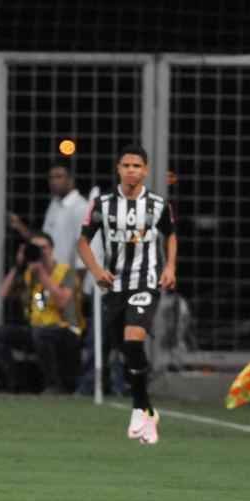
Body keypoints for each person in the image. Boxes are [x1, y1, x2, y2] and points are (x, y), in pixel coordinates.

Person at [78, 144, 177, 445]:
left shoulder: (157, 204)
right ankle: (148, 410)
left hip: (145, 281)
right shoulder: (102, 204)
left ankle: (137, 408)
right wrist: (97, 271)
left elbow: (171, 234)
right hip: (114, 286)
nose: (131, 170)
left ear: (145, 171)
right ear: (118, 169)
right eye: (126, 165)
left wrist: (170, 267)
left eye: (137, 166)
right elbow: (83, 242)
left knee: (134, 339)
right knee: (123, 348)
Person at [0, 231, 82, 393]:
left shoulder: (67, 272)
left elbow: (62, 302)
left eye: (43, 247)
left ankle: (53, 386)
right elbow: (4, 293)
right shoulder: (29, 274)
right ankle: (15, 383)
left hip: (66, 330)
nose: (40, 252)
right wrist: (18, 265)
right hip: (38, 330)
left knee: (41, 333)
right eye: (36, 248)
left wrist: (42, 274)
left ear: (52, 249)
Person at [9, 163, 90, 269]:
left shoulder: (81, 207)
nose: (54, 181)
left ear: (71, 180)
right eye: (51, 177)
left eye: (59, 176)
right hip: (49, 272)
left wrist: (76, 278)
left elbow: (85, 247)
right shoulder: (54, 204)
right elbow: (44, 239)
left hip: (68, 274)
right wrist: (20, 227)